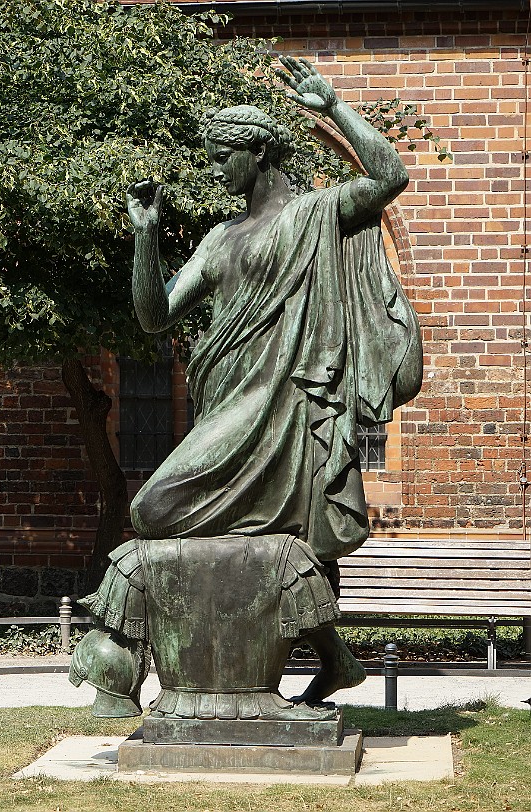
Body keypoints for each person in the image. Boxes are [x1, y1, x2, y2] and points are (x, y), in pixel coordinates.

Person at [124, 57, 422, 704]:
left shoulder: (317, 212)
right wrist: (146, 238)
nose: (215, 170)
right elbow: (154, 316)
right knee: (247, 539)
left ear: (257, 152)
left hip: (283, 402)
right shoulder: (218, 239)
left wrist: (334, 109)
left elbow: (390, 175)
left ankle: (281, 666)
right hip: (225, 401)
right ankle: (318, 661)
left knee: (156, 508)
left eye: (222, 156)